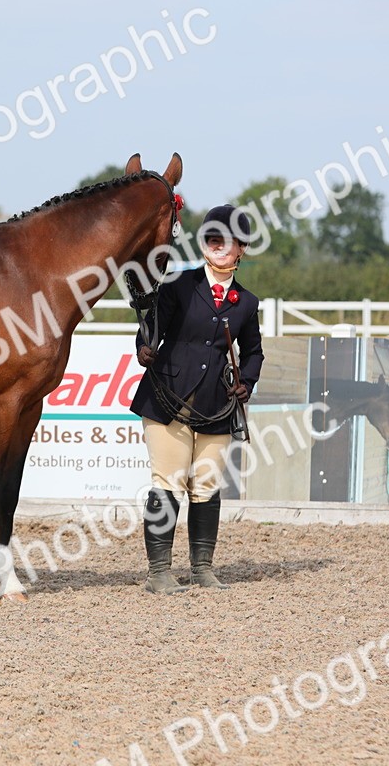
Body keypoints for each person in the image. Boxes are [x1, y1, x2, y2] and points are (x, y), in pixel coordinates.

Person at [129, 204, 265, 595]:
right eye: (212, 238)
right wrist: (144, 348)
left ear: (242, 248)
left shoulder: (247, 302)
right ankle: (159, 572)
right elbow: (150, 330)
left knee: (206, 483)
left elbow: (253, 351)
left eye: (227, 241)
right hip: (166, 398)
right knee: (168, 482)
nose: (219, 246)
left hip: (216, 405)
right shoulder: (177, 286)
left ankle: (202, 567)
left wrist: (248, 382)